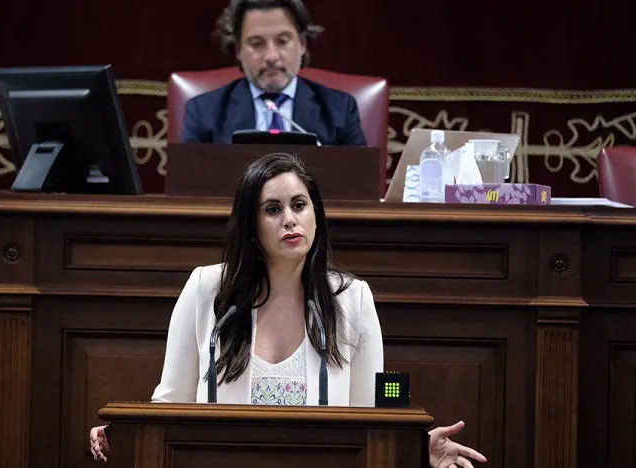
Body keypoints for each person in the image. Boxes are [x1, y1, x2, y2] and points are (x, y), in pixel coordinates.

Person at [90, 153, 486, 468]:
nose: (290, 220)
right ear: (251, 225)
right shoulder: (206, 290)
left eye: (299, 205)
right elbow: (170, 403)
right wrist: (121, 432)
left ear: (317, 216)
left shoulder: (352, 299)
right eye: (272, 209)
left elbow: (376, 417)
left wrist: (418, 451)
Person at [181, 0, 367, 147]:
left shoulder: (340, 110)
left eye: (283, 41)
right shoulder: (203, 113)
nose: (271, 56)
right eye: (256, 43)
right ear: (238, 50)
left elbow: (360, 189)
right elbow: (188, 189)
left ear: (302, 44)